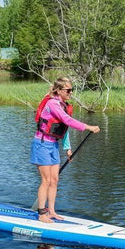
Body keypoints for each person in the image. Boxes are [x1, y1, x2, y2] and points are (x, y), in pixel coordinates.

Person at [30, 77, 100, 223]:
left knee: (54, 179)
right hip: (41, 144)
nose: (71, 93)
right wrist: (88, 127)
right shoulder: (52, 104)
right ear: (59, 90)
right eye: (68, 90)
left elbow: (64, 128)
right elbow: (68, 120)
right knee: (46, 180)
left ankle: (52, 212)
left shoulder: (64, 105)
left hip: (53, 144)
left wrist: (67, 148)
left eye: (71, 90)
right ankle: (42, 214)